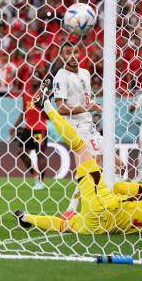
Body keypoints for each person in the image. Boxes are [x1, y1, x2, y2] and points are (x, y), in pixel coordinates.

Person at [15, 86, 142, 235]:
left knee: (79, 146)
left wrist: (102, 175)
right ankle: (26, 218)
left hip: (104, 204)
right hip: (98, 228)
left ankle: (46, 105)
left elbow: (119, 187)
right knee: (64, 226)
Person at [52, 41, 123, 218]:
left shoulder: (85, 73)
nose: (72, 56)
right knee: (93, 169)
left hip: (90, 127)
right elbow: (60, 108)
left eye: (75, 51)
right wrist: (87, 108)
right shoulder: (61, 76)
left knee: (119, 166)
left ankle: (113, 203)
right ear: (62, 56)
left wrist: (92, 107)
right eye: (68, 52)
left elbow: (86, 100)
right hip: (76, 128)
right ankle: (71, 210)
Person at [11, 72, 49, 190]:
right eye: (32, 77)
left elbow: (48, 114)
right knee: (21, 152)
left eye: (36, 77)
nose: (33, 79)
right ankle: (35, 175)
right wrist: (15, 126)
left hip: (40, 129)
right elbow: (24, 111)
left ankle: (41, 181)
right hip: (28, 128)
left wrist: (41, 105)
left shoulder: (43, 94)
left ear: (40, 80)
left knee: (39, 153)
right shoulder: (26, 93)